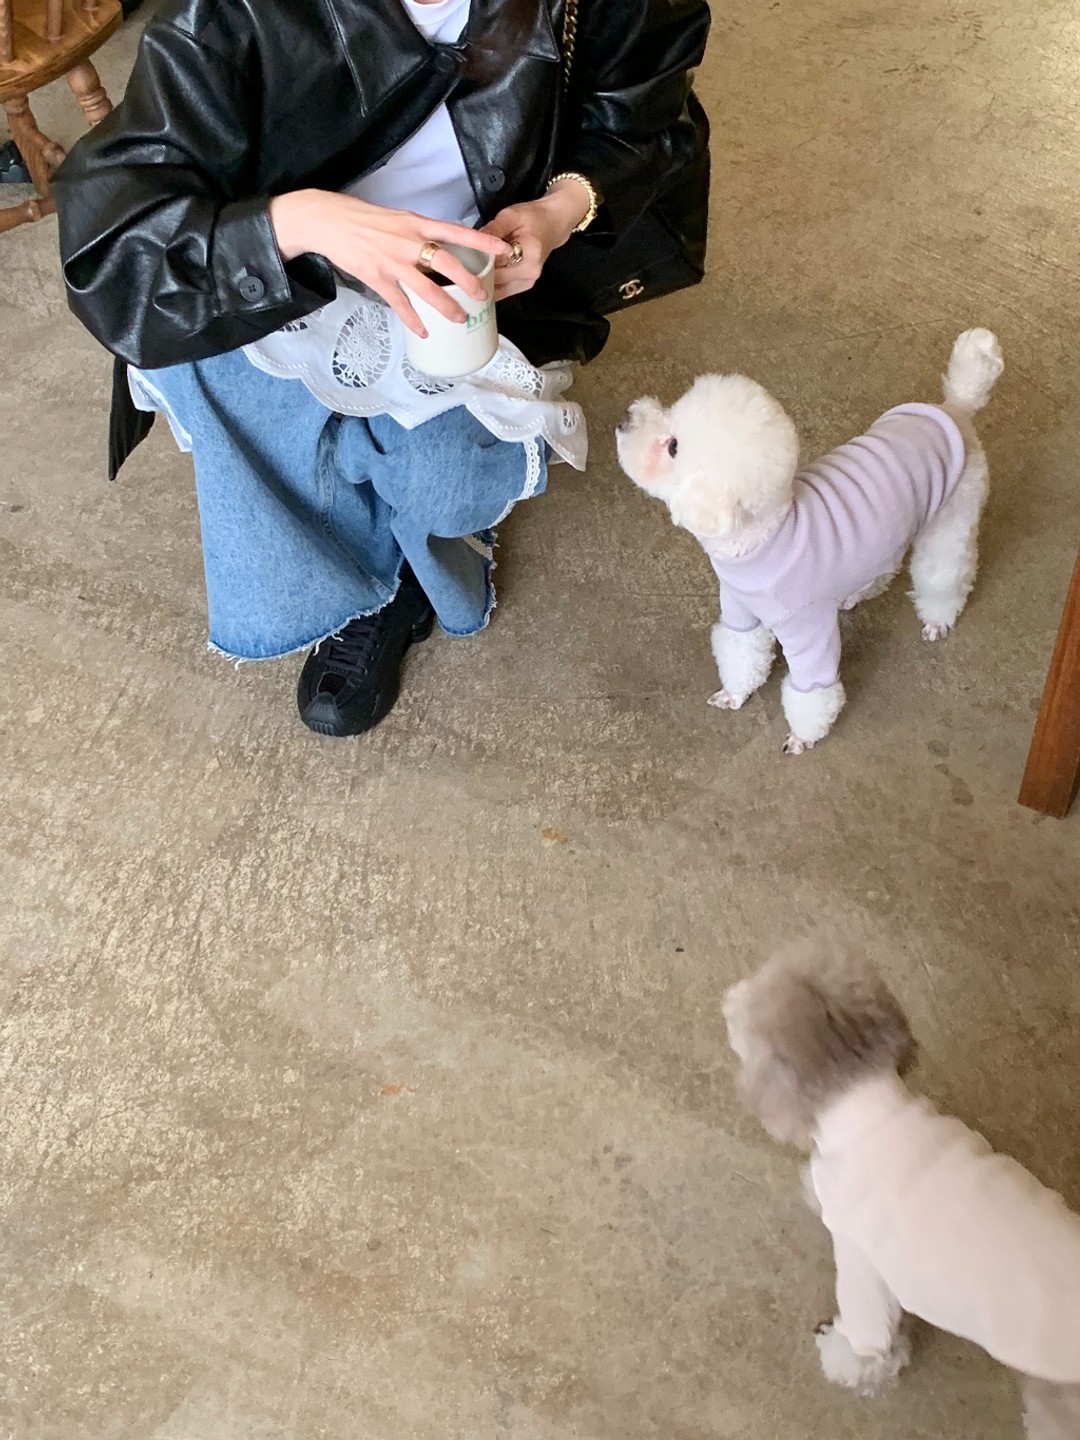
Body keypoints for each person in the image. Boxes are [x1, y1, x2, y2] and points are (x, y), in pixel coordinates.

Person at [54, 0, 711, 738]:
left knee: (451, 485)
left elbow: (645, 118)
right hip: (289, 279)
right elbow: (115, 254)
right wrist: (300, 221)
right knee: (229, 394)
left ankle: (412, 562)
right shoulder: (223, 15)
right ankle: (367, 585)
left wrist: (561, 210)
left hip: (480, 290)